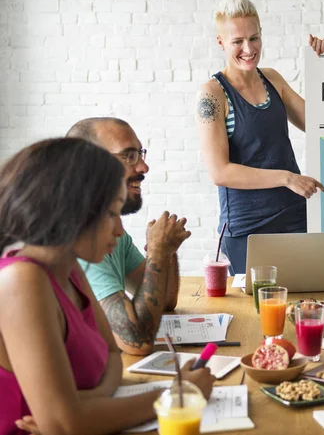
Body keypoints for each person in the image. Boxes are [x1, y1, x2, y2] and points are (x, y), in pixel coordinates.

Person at [0, 138, 214, 435]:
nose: (120, 230)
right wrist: (178, 393)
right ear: (71, 211)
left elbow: (112, 359)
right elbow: (65, 424)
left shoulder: (70, 268)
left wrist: (85, 404)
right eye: (112, 213)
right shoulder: (21, 281)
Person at [195, 0, 324, 274]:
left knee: (307, 307)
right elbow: (220, 172)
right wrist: (287, 177)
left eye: (254, 38)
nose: (248, 48)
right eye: (237, 41)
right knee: (255, 314)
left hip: (295, 217)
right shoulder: (213, 94)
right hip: (247, 229)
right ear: (221, 42)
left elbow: (319, 124)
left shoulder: (273, 79)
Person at [66, 117, 191, 355]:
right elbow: (137, 342)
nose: (144, 167)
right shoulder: (84, 240)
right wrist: (156, 252)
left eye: (140, 154)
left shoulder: (112, 230)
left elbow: (164, 300)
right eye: (129, 156)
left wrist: (165, 251)